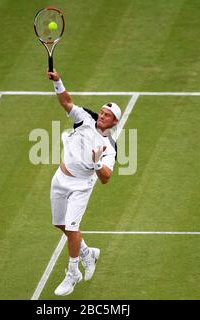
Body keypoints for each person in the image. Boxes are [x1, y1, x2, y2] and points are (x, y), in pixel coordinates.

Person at [47, 69, 121, 296]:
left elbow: (106, 178)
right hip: (60, 179)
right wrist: (58, 81)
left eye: (107, 115)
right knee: (60, 224)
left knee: (72, 227)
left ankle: (73, 274)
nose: (101, 116)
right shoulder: (85, 119)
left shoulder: (110, 147)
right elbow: (67, 102)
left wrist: (97, 163)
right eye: (101, 112)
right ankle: (88, 254)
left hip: (81, 186)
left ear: (114, 122)